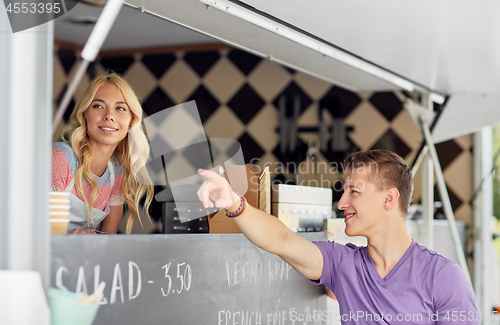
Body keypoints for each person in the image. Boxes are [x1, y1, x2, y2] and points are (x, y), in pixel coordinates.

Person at [197, 150, 479, 324]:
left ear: (389, 199)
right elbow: (281, 240)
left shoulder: (444, 277)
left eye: (354, 192)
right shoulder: (342, 264)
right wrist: (234, 204)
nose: (342, 202)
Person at [51, 73, 154, 235]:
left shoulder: (117, 173)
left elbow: (108, 239)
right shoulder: (60, 158)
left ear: (130, 123)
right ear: (84, 114)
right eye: (98, 106)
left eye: (120, 108)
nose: (109, 116)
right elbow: (34, 230)